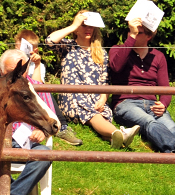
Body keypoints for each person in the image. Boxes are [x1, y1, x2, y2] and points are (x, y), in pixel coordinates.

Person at [46, 11, 139, 149]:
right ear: (77, 27)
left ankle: (114, 139)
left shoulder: (101, 53)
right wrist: (73, 25)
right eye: (84, 25)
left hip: (95, 99)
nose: (88, 29)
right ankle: (120, 132)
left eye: (91, 26)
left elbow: (105, 81)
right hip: (72, 98)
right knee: (92, 114)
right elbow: (49, 41)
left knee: (103, 113)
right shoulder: (67, 46)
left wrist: (102, 100)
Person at [109, 18, 175, 153]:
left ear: (149, 36)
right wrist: (132, 37)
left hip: (151, 103)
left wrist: (163, 104)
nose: (131, 33)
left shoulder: (158, 56)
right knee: (148, 121)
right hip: (125, 103)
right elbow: (116, 66)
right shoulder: (118, 50)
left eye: (138, 32)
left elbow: (165, 88)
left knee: (172, 127)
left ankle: (173, 151)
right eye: (130, 31)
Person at [0, 49, 54, 195]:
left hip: (28, 143)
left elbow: (53, 121)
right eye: (11, 72)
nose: (17, 76)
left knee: (45, 155)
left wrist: (43, 132)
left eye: (20, 71)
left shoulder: (38, 87)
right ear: (2, 72)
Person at [14, 29, 82, 146]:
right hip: (19, 96)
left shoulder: (39, 66)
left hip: (34, 96)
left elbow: (38, 85)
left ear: (34, 50)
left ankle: (62, 126)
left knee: (47, 93)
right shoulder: (12, 62)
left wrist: (36, 65)